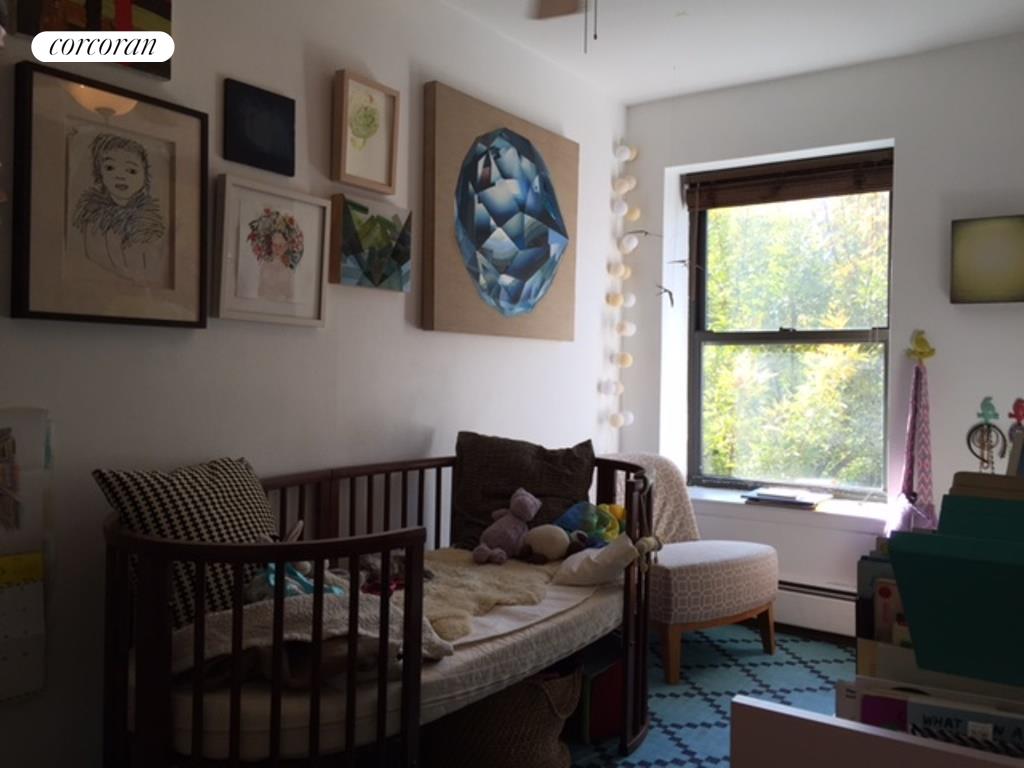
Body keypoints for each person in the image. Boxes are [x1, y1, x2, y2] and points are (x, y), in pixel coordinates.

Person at [72, 133, 167, 286]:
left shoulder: (149, 227)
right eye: (110, 167)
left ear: (145, 176)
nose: (120, 176)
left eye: (131, 170)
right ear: (99, 173)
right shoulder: (91, 217)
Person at [246, 208, 304, 302]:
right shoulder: (265, 266)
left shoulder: (289, 270)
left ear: (286, 246)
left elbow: (290, 297)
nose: (277, 249)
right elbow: (260, 293)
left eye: (280, 245)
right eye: (274, 245)